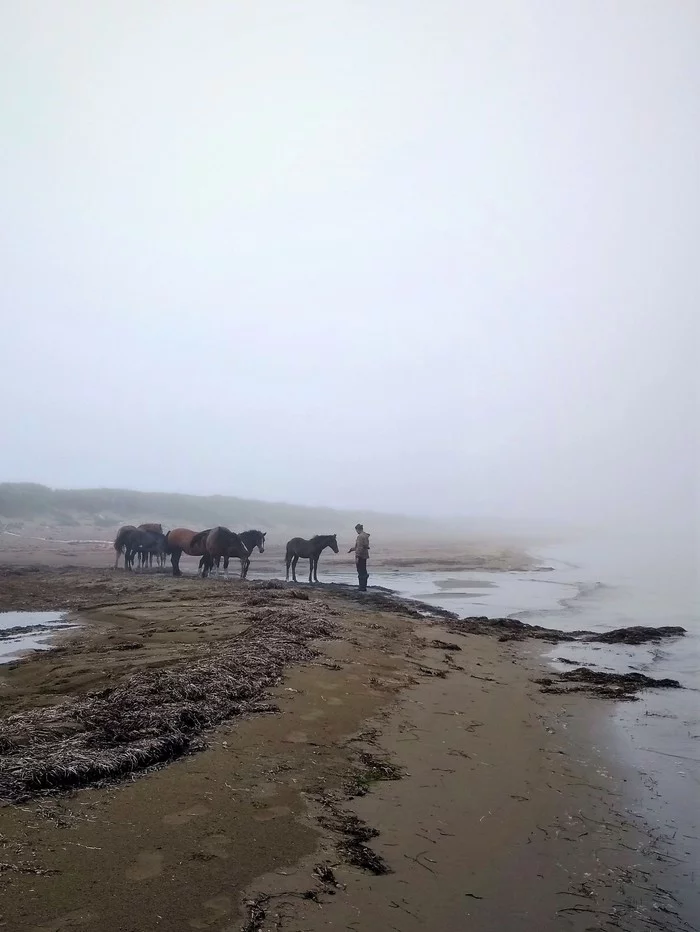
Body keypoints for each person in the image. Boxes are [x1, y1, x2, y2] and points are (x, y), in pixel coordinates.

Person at [348, 523, 370, 591]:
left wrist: (357, 556)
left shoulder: (360, 537)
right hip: (365, 555)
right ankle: (363, 586)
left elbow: (360, 547)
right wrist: (352, 549)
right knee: (364, 571)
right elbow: (364, 546)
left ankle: (361, 587)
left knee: (360, 571)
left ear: (357, 529)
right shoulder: (365, 535)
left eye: (356, 530)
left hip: (361, 556)